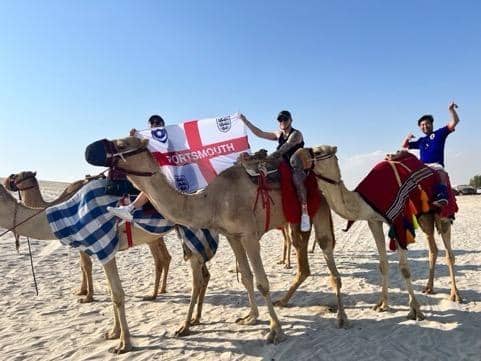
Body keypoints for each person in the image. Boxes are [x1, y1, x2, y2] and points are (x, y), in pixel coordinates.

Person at [240, 110, 310, 231]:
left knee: (297, 180)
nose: (282, 122)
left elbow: (284, 148)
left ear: (291, 120)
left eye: (285, 119)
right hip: (281, 163)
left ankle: (305, 212)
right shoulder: (279, 134)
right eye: (280, 120)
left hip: (296, 166)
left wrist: (268, 157)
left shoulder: (296, 134)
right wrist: (246, 122)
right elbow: (260, 133)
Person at [107, 114, 165, 221]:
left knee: (151, 186)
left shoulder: (168, 139)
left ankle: (130, 209)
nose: (155, 124)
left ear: (163, 124)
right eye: (152, 123)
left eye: (158, 122)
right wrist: (132, 138)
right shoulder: (145, 140)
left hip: (166, 173)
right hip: (149, 172)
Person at [401, 101, 460, 206]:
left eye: (427, 123)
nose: (425, 126)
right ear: (420, 127)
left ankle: (441, 196)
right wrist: (407, 138)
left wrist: (451, 110)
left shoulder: (439, 134)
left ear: (432, 124)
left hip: (436, 165)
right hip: (422, 167)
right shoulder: (421, 141)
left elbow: (455, 121)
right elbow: (405, 146)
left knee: (440, 171)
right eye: (422, 125)